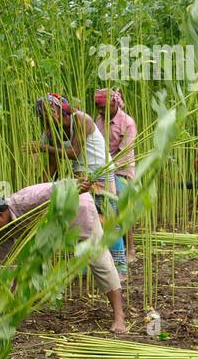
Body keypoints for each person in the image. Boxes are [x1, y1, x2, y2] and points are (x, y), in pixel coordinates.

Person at [0, 180, 127, 334]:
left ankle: (119, 316)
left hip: (77, 211)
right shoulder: (2, 230)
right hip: (52, 228)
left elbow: (60, 188)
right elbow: (9, 265)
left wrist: (77, 186)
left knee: (99, 260)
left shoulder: (27, 200)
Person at [29, 93, 127, 274]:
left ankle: (119, 266)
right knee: (84, 221)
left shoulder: (82, 119)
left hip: (101, 173)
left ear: (59, 111)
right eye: (43, 118)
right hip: (80, 177)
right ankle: (86, 265)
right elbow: (53, 165)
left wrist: (42, 148)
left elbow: (74, 152)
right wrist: (41, 190)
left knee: (109, 219)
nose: (46, 121)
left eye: (49, 115)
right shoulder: (52, 132)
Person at [94, 88, 138, 258]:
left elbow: (124, 152)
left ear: (113, 104)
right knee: (102, 208)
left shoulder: (127, 123)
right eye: (98, 108)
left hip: (121, 170)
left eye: (103, 108)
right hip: (101, 169)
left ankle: (131, 249)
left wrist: (107, 168)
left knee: (121, 208)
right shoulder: (98, 120)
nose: (100, 112)